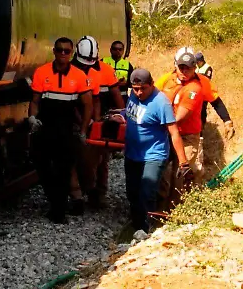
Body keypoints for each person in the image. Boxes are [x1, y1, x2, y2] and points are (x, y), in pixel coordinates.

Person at [111, 68, 189, 235]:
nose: (139, 93)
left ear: (152, 84)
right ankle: (135, 226)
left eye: (143, 88)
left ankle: (148, 230)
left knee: (147, 192)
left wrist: (183, 162)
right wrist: (122, 115)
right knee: (132, 192)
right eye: (135, 89)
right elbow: (133, 114)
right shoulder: (133, 95)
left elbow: (174, 132)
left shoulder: (161, 103)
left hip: (154, 155)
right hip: (132, 153)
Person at [29, 37, 94, 223]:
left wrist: (83, 130)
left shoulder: (79, 76)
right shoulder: (41, 72)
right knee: (42, 166)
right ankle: (56, 203)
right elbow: (35, 100)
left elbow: (88, 105)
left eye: (67, 51)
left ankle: (58, 211)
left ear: (71, 53)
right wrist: (32, 118)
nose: (63, 54)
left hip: (66, 130)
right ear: (54, 51)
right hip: (45, 127)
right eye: (59, 50)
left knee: (64, 170)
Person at [68, 36, 125, 213]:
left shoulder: (101, 71)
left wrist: (119, 118)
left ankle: (98, 194)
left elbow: (101, 99)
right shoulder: (70, 71)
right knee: (78, 158)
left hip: (96, 119)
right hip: (75, 119)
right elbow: (72, 104)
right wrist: (84, 123)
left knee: (102, 159)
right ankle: (81, 192)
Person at [154, 50, 204, 213]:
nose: (184, 71)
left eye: (188, 68)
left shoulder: (194, 89)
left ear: (194, 68)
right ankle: (158, 209)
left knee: (180, 175)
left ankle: (175, 212)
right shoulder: (169, 80)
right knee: (159, 170)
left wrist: (153, 124)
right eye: (181, 67)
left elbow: (179, 118)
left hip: (186, 137)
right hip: (167, 133)